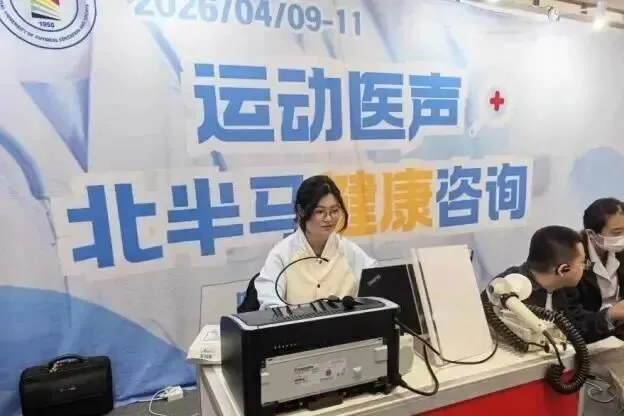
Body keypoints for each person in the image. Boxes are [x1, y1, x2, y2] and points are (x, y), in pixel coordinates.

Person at [484, 225, 624, 343]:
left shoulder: (565, 287)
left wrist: (611, 314)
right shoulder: (505, 289)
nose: (585, 267)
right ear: (563, 269)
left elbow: (577, 327)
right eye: (582, 263)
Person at [254, 175, 377, 309]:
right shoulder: (282, 254)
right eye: (320, 211)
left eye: (334, 211)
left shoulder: (348, 250)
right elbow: (270, 301)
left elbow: (376, 279)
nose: (329, 218)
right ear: (301, 211)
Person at [577, 198, 624, 313]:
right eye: (617, 232)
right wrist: (610, 315)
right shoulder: (572, 256)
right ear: (591, 233)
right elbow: (573, 313)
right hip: (590, 320)